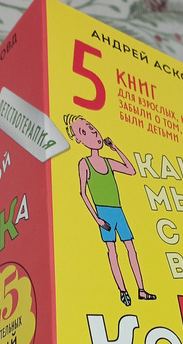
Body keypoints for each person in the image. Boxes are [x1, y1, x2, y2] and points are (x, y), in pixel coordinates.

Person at [64, 114, 156, 306]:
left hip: (118, 211)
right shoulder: (84, 164)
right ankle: (123, 291)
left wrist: (115, 148)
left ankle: (141, 290)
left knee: (131, 249)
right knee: (112, 251)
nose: (93, 133)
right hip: (103, 212)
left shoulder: (108, 162)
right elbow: (83, 193)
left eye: (92, 128)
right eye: (84, 132)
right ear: (79, 140)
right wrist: (97, 219)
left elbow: (131, 170)